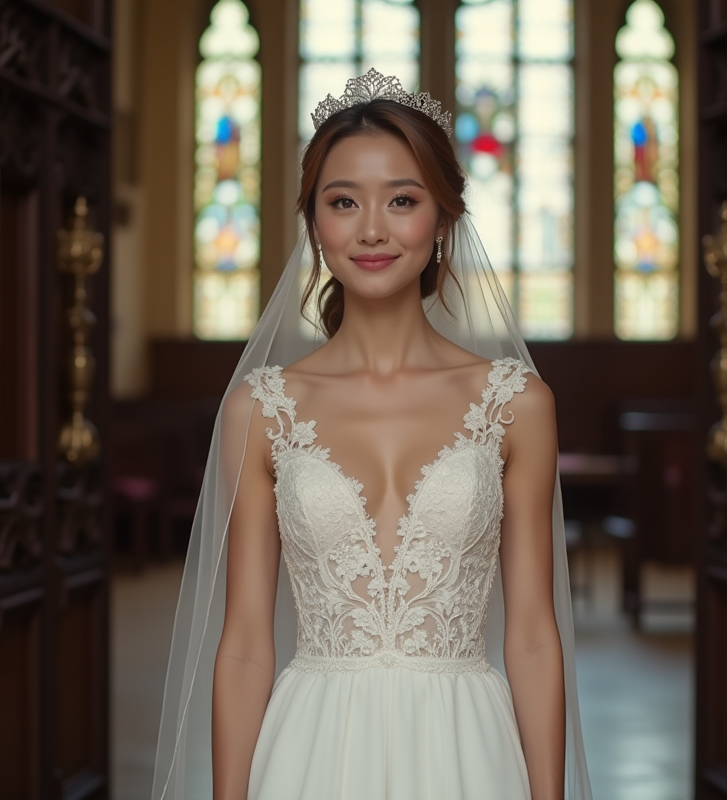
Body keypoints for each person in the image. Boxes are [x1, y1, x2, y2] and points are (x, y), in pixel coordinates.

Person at [152, 70, 593, 800]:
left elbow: (535, 636)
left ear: (443, 218)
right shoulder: (260, 411)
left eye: (402, 200)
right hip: (313, 747)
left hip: (466, 750)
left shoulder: (518, 404)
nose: (372, 229)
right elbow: (244, 647)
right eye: (343, 202)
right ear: (315, 223)